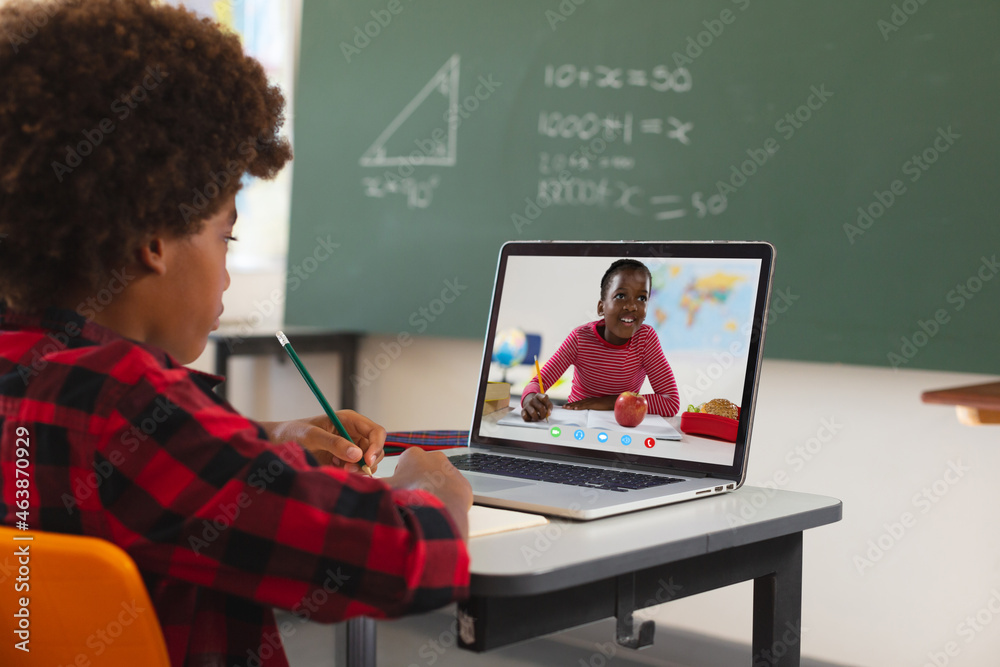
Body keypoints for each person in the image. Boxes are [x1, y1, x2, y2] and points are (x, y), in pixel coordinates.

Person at [0, 1, 472, 665]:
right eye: (227, 234)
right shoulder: (134, 407)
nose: (226, 269)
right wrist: (431, 493)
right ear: (154, 238)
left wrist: (265, 440)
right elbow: (399, 561)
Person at [521, 259, 680, 421]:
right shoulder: (580, 338)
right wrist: (530, 398)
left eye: (641, 299)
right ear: (601, 307)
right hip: (578, 423)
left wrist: (605, 402)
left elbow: (671, 402)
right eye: (621, 296)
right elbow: (536, 383)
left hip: (622, 427)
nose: (632, 306)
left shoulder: (645, 339)